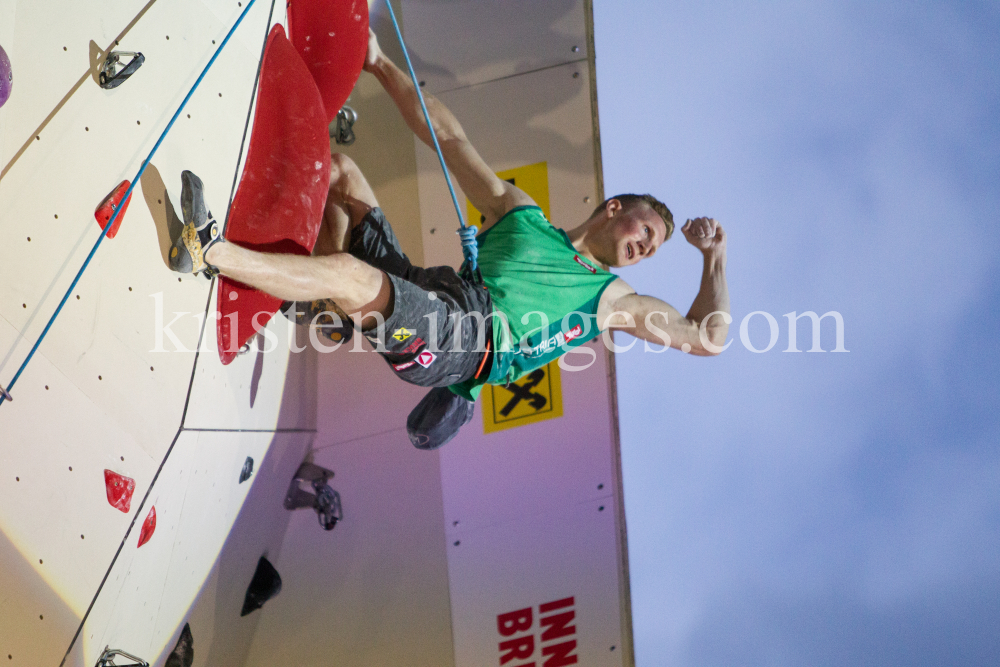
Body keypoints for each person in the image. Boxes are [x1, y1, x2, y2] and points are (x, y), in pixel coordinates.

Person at [167, 30, 730, 448]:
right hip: (433, 292)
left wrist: (714, 259)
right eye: (647, 233)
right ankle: (323, 306)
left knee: (354, 277)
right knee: (341, 174)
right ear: (614, 210)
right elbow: (449, 137)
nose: (648, 249)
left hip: (462, 344)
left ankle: (209, 251)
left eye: (655, 249)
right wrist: (381, 63)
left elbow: (707, 338)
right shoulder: (523, 216)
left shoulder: (614, 300)